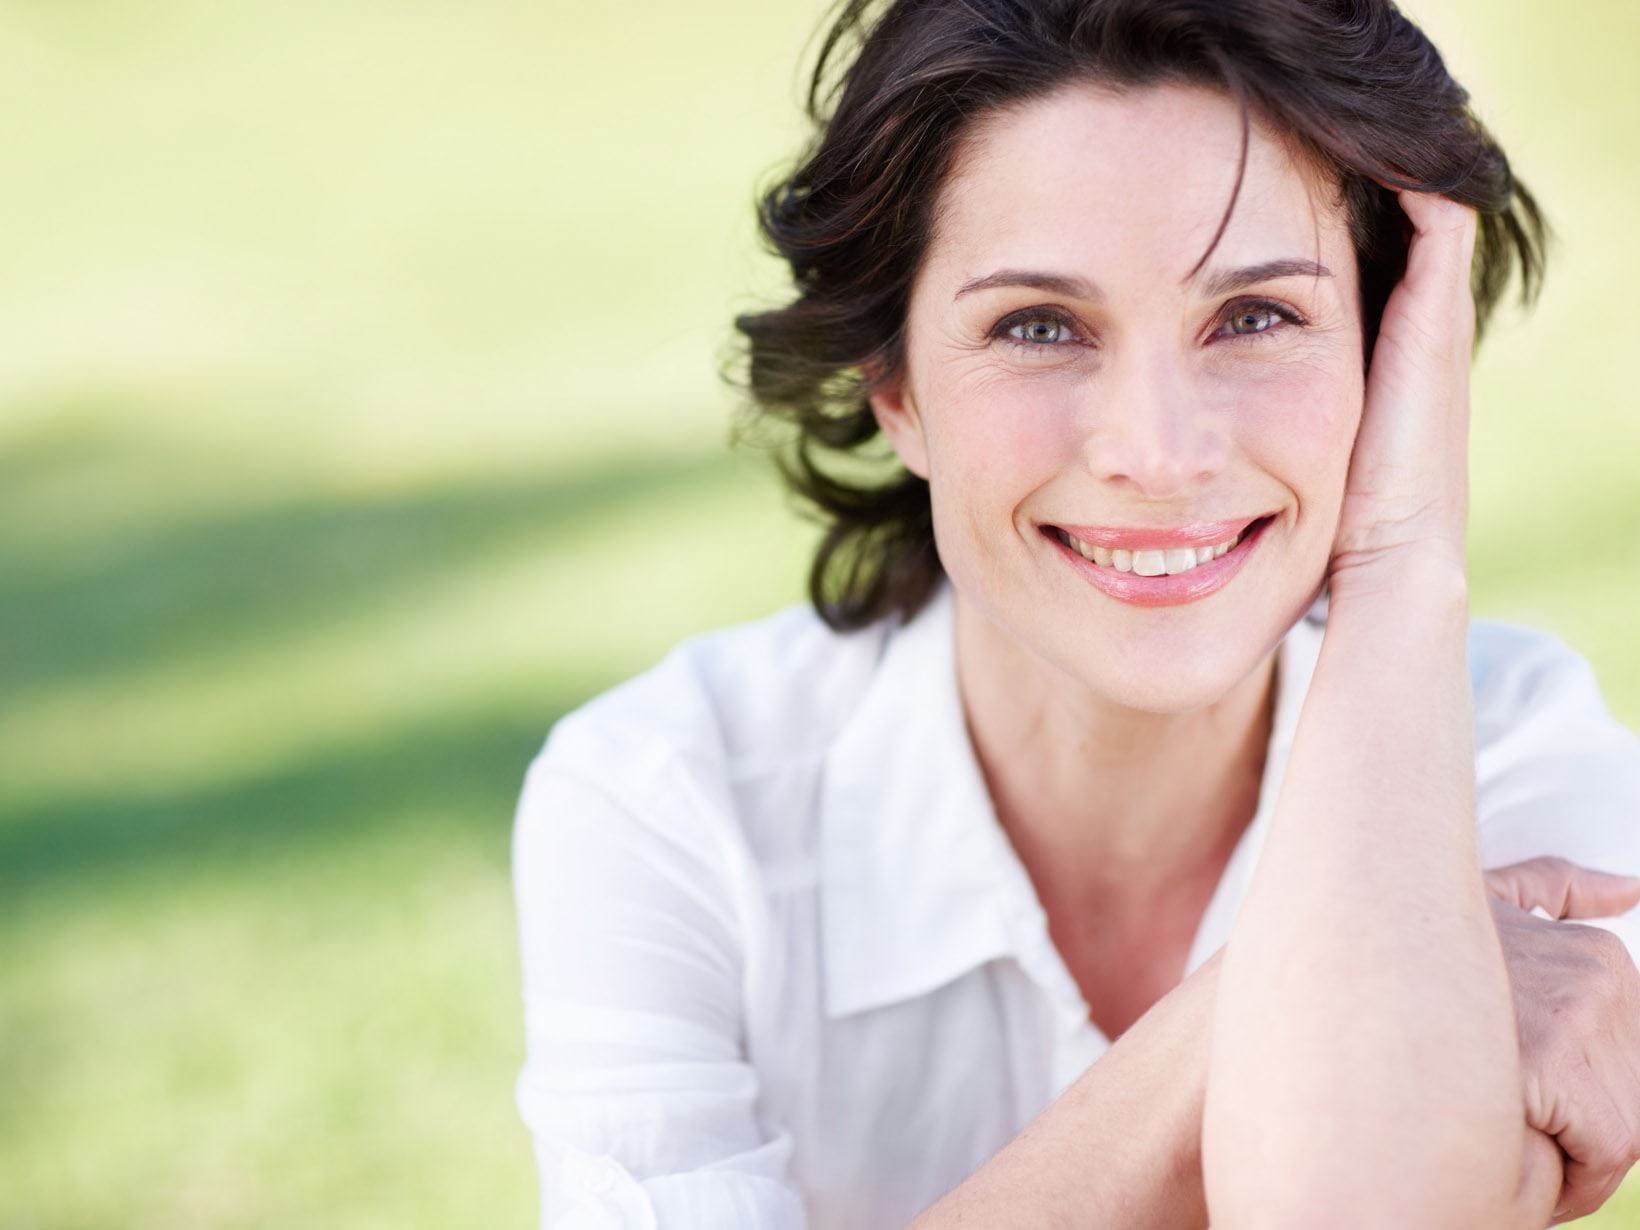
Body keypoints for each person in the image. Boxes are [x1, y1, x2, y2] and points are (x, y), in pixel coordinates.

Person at [511, 1, 1640, 1226]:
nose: (1155, 453)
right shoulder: (669, 797)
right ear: (894, 392)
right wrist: (1270, 998)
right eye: (1036, 326)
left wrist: (1401, 558)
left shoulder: (1512, 749)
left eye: (1256, 315)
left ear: (1385, 354)